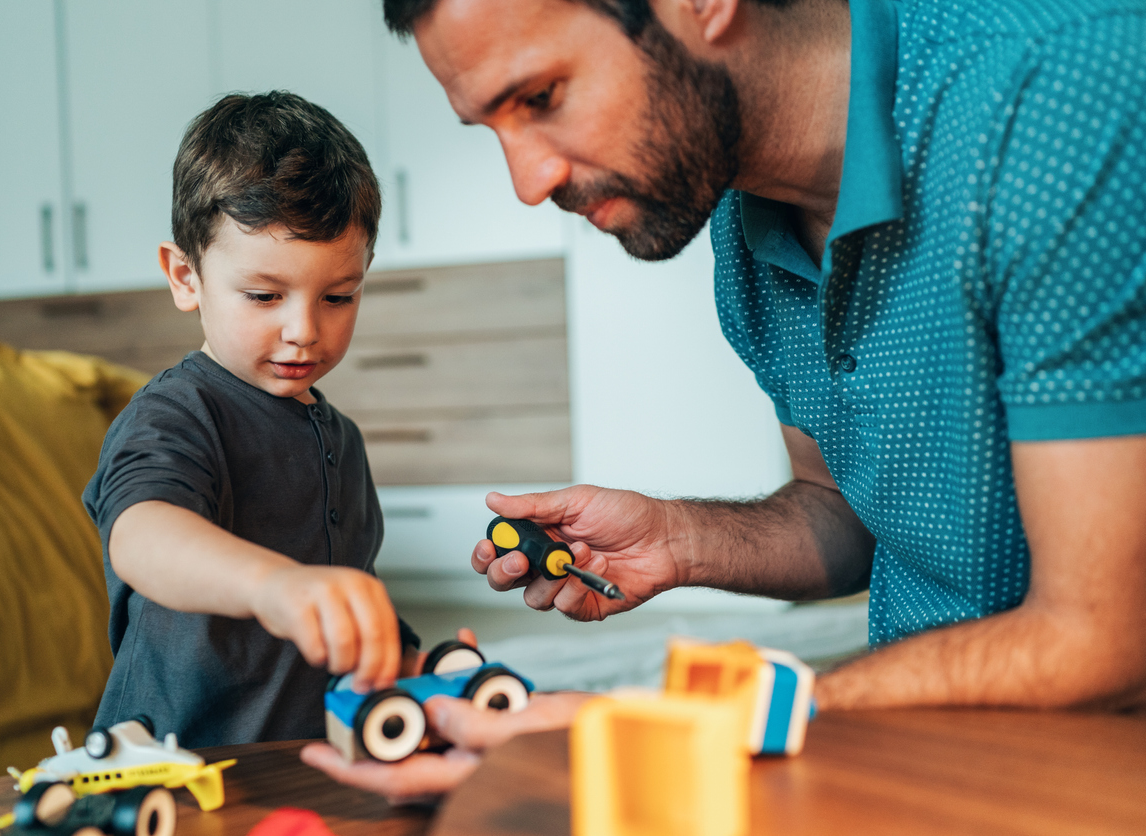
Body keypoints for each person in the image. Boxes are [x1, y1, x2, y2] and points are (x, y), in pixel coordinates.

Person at [300, 0, 1146, 803]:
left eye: (543, 97)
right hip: (917, 740)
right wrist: (676, 538)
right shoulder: (746, 232)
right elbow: (844, 514)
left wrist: (677, 725)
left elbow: (1104, 638)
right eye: (491, 128)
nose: (528, 180)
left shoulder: (1058, 90)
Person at [83, 91, 424, 747]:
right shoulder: (176, 414)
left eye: (338, 296)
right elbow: (142, 536)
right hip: (176, 766)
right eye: (265, 295)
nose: (304, 330)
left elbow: (346, 595)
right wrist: (272, 586)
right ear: (186, 276)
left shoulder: (342, 439)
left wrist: (411, 662)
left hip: (307, 761)